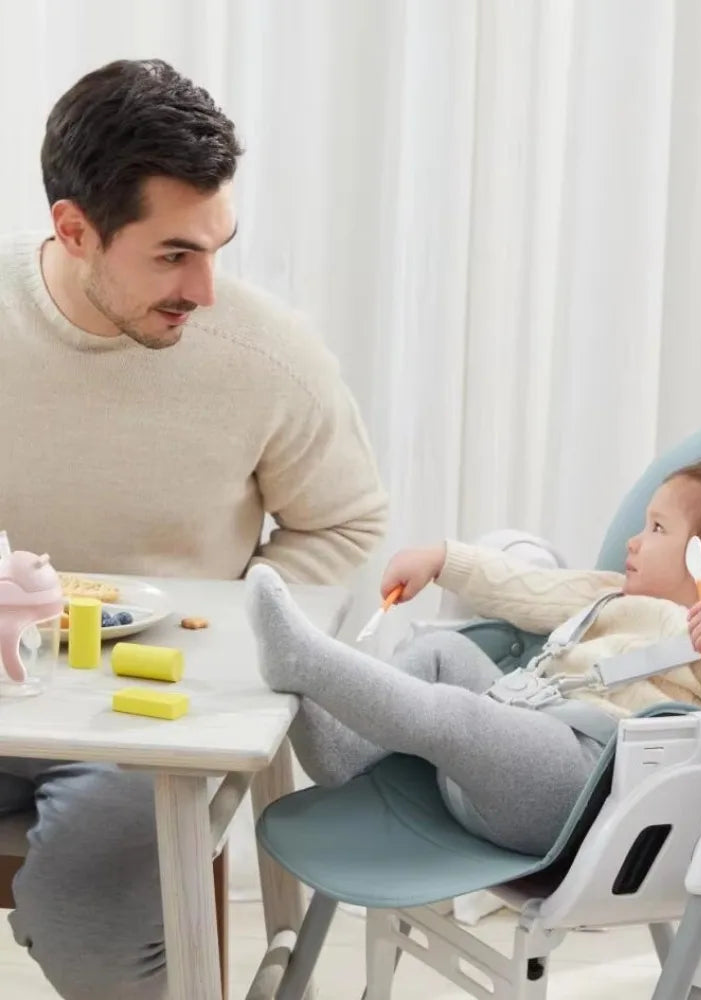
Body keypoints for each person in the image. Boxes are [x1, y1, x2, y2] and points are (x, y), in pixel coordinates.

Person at [0, 59, 387, 999]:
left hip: (147, 717)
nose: (206, 288)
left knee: (87, 915)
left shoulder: (265, 356)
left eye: (218, 248)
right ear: (74, 230)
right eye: (173, 254)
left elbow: (347, 525)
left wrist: (226, 630)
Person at [247, 452, 701, 857]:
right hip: (515, 751)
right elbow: (524, 590)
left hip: (582, 789)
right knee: (443, 650)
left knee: (460, 714)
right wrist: (443, 559)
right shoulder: (613, 595)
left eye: (658, 528)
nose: (634, 541)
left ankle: (307, 663)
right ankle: (344, 749)